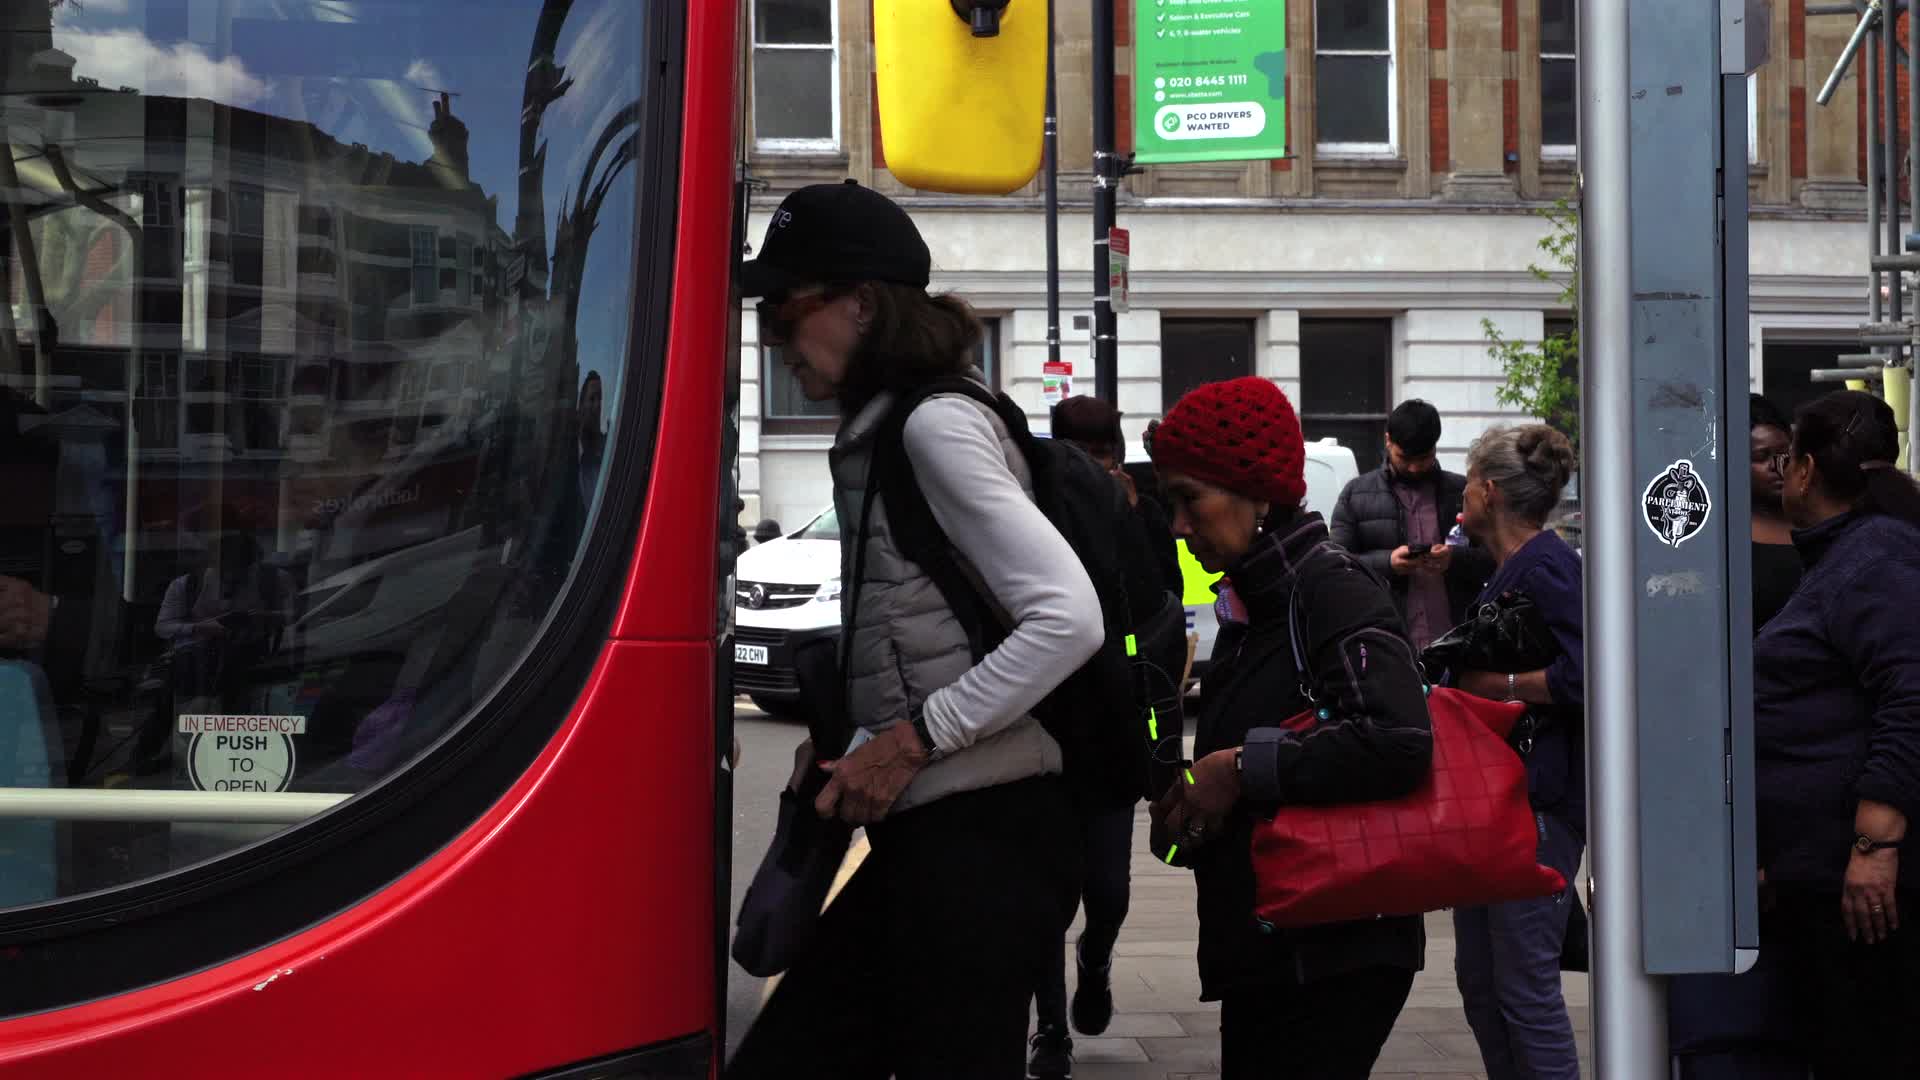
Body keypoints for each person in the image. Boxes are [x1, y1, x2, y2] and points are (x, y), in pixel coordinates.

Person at [725, 180, 1103, 1080]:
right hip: (939, 834)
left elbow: (1068, 617)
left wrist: (908, 741)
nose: (778, 339)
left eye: (786, 310)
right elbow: (928, 626)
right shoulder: (890, 426)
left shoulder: (935, 425)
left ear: (860, 302)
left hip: (983, 844)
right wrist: (857, 737)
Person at [1144, 376, 1434, 1079]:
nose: (1179, 525)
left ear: (1260, 495)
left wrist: (1238, 768)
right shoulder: (1256, 601)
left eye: (1191, 499)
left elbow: (1397, 740)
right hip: (1278, 946)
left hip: (1332, 951)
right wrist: (1188, 817)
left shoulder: (1328, 587)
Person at [1754, 390, 1920, 1076]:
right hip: (1818, 873)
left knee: (1867, 1048)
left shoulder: (1875, 557)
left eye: (1785, 458)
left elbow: (1910, 696)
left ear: (1807, 469)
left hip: (1856, 883)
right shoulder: (1846, 554)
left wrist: (1874, 845)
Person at [1025, 395, 1184, 1078]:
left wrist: (1128, 516)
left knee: (1109, 893)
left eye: (1106, 455)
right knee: (1043, 898)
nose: (1097, 468)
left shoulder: (1137, 508)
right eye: (1084, 457)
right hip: (1045, 726)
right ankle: (1051, 1032)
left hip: (1116, 725)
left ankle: (1096, 957)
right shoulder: (1035, 508)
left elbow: (1165, 602)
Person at [1665, 393, 1811, 1078]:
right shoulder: (1715, 545)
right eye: (1760, 457)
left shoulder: (1822, 538)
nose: (1776, 468)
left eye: (1785, 454)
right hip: (1737, 759)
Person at [1445, 424, 1585, 1080]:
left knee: (1525, 987)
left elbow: (1591, 674)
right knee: (1482, 981)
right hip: (1499, 804)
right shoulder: (1514, 567)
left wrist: (1498, 686)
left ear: (1489, 491)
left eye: (1468, 479)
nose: (1461, 492)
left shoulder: (1550, 566)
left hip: (1537, 805)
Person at [1330, 399, 1496, 652]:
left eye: (1425, 457)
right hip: (1385, 645)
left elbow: (1496, 559)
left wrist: (1455, 559)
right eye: (1405, 457)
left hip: (1458, 643)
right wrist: (1388, 563)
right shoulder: (1355, 494)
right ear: (1388, 441)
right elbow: (1336, 567)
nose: (1415, 467)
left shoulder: (1462, 492)